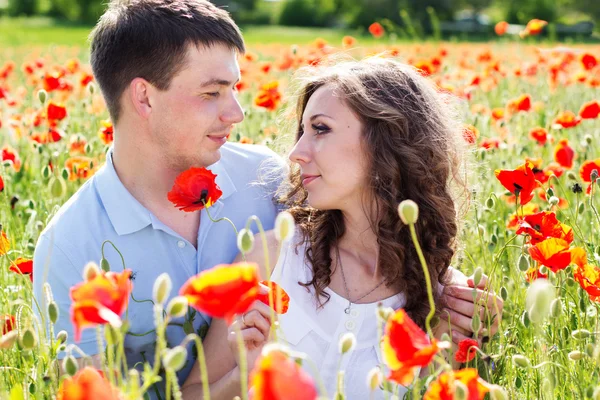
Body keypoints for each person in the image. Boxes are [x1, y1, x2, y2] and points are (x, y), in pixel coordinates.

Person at [31, 1, 496, 398]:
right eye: (212, 92)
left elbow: (378, 233)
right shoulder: (71, 248)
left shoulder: (270, 180)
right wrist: (240, 375)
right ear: (144, 98)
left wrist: (477, 326)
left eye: (234, 88)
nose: (237, 112)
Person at [182, 57, 504, 399]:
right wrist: (243, 376)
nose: (295, 153)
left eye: (320, 129)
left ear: (386, 139)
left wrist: (476, 344)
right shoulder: (272, 257)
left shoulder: (444, 300)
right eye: (302, 131)